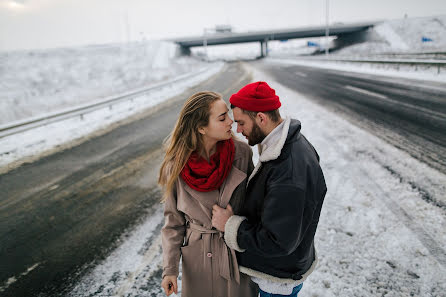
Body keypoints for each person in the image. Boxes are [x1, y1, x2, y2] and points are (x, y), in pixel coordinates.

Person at [212, 81, 327, 297]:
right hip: (284, 269)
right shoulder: (290, 146)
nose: (238, 130)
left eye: (241, 123)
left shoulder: (287, 168)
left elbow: (277, 241)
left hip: (277, 283)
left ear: (261, 118)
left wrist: (230, 225)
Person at [158, 91, 259, 297]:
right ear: (201, 127)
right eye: (222, 118)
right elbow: (173, 223)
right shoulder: (175, 166)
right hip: (198, 260)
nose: (231, 121)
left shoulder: (242, 154)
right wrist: (169, 270)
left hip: (234, 253)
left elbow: (255, 207)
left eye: (227, 115)